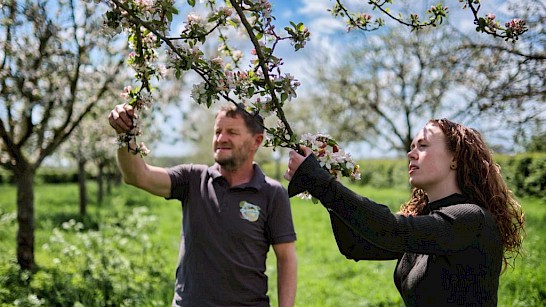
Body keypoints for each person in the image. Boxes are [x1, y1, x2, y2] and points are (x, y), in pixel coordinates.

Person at [284, 118, 524, 306]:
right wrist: (328, 186)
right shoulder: (430, 220)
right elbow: (355, 246)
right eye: (411, 147)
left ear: (455, 158)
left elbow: (391, 229)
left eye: (423, 145)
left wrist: (322, 184)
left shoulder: (471, 219)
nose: (411, 154)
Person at [108, 103, 297, 307]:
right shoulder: (192, 179)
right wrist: (125, 134)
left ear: (256, 141)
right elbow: (138, 176)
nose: (221, 138)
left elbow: (286, 258)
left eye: (232, 132)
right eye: (218, 131)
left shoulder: (272, 193)